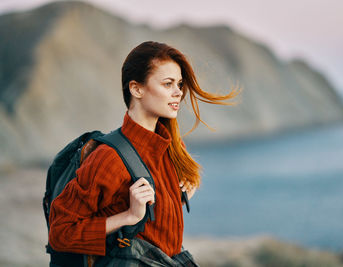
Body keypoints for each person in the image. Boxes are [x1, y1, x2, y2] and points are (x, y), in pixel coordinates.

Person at [48, 41, 239, 266]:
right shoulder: (109, 158)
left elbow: (161, 230)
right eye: (167, 84)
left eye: (179, 83)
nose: (178, 92)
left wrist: (183, 192)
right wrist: (129, 216)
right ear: (136, 89)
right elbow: (60, 233)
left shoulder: (174, 147)